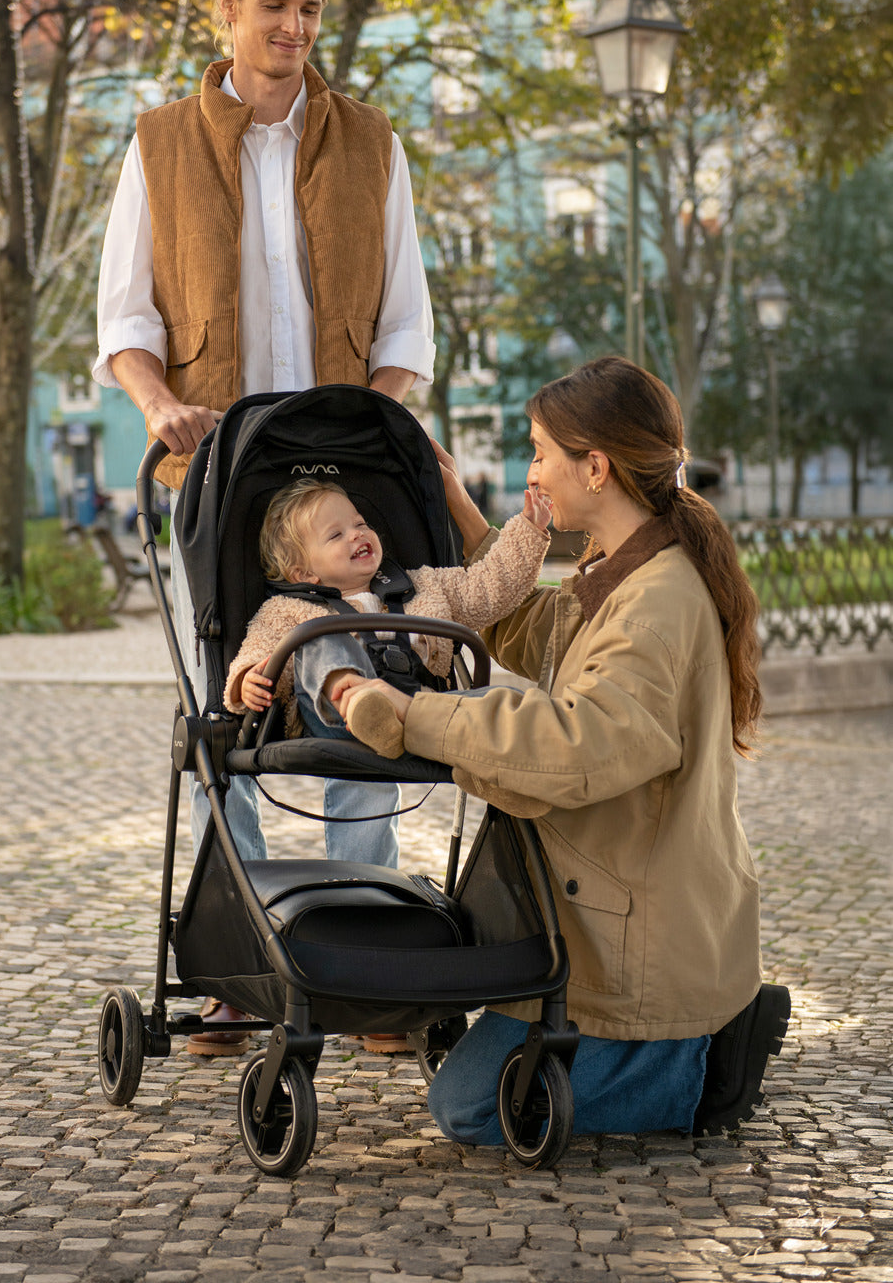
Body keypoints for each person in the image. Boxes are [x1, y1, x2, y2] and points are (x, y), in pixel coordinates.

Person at [92, 0, 435, 1054]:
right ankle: (240, 966)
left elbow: (405, 334)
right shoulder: (157, 145)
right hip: (219, 474)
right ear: (226, 13)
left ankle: (370, 964)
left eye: (308, 10)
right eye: (272, 6)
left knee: (361, 706)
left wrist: (380, 432)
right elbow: (127, 324)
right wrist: (159, 409)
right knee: (225, 716)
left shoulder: (373, 145)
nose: (291, 28)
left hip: (343, 485)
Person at [334, 355, 790, 1138]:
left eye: (542, 450)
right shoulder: (619, 566)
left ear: (596, 466)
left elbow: (577, 746)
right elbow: (535, 634)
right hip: (606, 909)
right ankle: (688, 1033)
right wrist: (466, 517)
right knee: (475, 1086)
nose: (533, 468)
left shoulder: (656, 602)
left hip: (640, 949)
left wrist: (412, 717)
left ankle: (704, 1064)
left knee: (469, 1109)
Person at [226, 475, 551, 756]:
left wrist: (527, 533)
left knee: (508, 701)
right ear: (303, 572)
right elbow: (257, 651)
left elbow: (489, 589)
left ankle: (510, 782)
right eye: (335, 535)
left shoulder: (424, 586)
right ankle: (360, 701)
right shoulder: (289, 610)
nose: (357, 534)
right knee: (316, 637)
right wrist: (245, 681)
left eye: (360, 523)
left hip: (418, 706)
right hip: (338, 720)